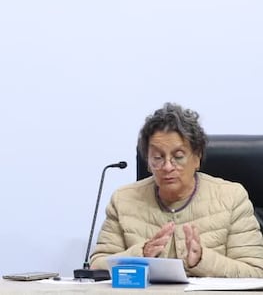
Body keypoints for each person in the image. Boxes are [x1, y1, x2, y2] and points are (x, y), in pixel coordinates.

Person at [89, 102, 263, 277]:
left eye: (178, 157)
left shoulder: (231, 197)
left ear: (197, 158)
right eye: (157, 157)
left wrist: (203, 260)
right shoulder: (123, 200)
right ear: (147, 163)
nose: (167, 167)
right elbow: (97, 266)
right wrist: (141, 255)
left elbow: (256, 272)